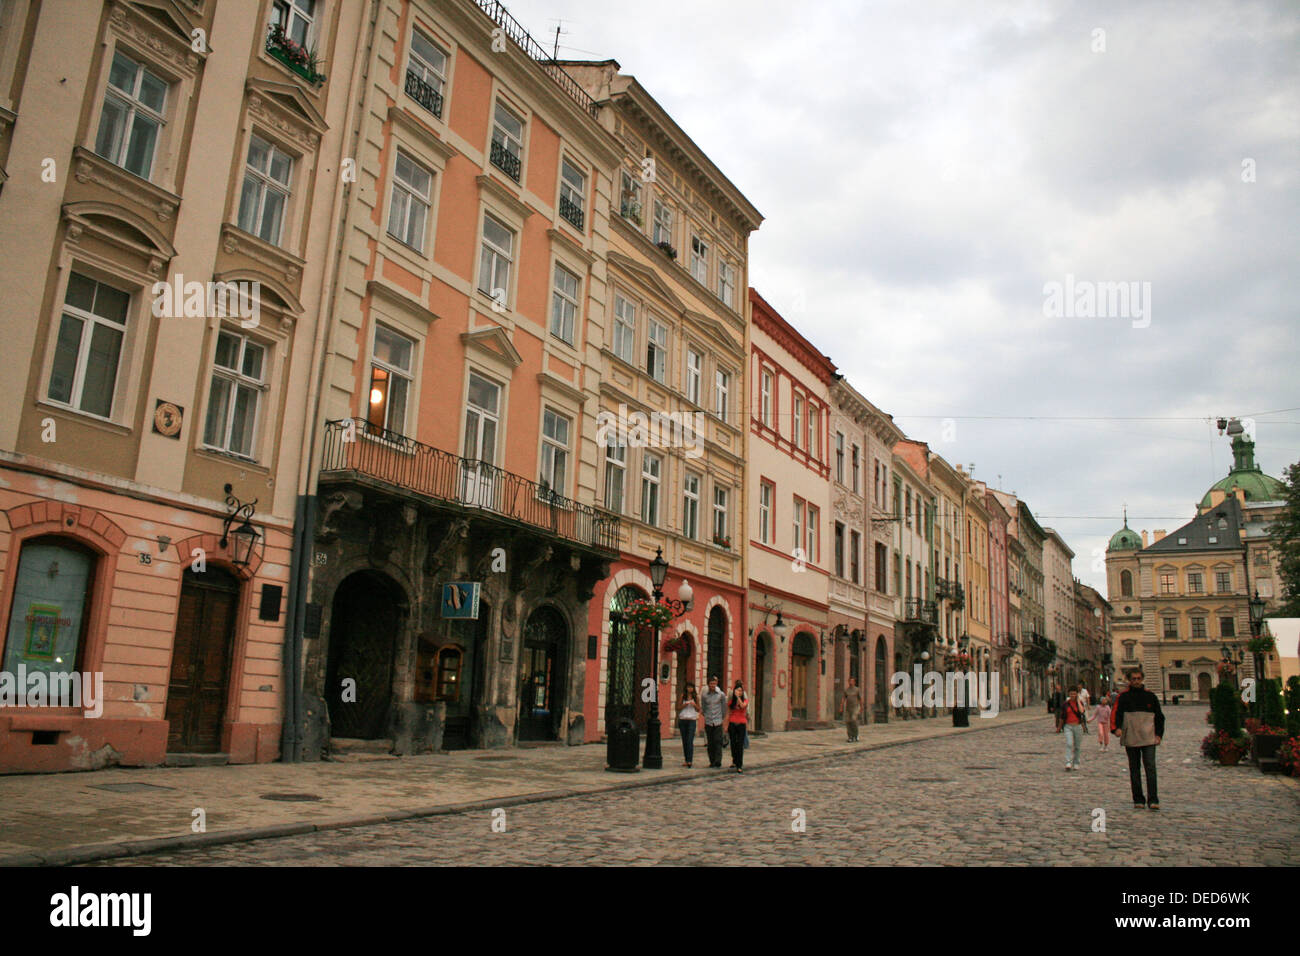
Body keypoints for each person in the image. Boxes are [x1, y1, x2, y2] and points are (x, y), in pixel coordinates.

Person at [1112, 669, 1165, 810]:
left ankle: (1153, 799)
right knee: (1134, 769)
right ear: (1129, 680)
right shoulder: (1123, 697)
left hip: (1148, 736)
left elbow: (1159, 717)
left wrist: (1159, 735)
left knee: (1150, 768)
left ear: (1142, 679)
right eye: (1133, 679)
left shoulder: (1150, 696)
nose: (1136, 681)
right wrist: (1116, 728)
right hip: (1131, 736)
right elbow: (1116, 714)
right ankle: (1138, 799)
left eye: (1138, 678)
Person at [1055, 685, 1088, 770]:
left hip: (1078, 726)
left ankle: (1076, 762)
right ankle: (1068, 762)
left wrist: (1077, 701)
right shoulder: (1065, 704)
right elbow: (1062, 717)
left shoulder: (1079, 702)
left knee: (1077, 746)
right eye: (1071, 694)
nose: (1072, 695)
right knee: (1069, 744)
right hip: (1068, 726)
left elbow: (1082, 711)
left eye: (1074, 694)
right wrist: (1059, 727)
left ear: (1077, 694)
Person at [700, 676, 727, 768]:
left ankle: (718, 761)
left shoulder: (721, 695)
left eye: (714, 684)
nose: (712, 685)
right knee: (710, 743)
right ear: (708, 684)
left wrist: (721, 717)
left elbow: (724, 708)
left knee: (718, 741)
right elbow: (703, 707)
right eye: (711, 684)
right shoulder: (704, 695)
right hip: (708, 721)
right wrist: (706, 715)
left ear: (716, 684)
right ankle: (712, 761)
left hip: (718, 721)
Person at [727, 680, 749, 773]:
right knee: (733, 743)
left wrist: (738, 697)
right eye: (737, 690)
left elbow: (743, 706)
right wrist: (726, 725)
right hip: (732, 723)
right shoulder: (731, 701)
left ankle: (739, 764)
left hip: (741, 723)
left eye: (740, 691)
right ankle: (734, 760)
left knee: (740, 744)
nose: (738, 692)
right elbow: (729, 712)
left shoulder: (745, 700)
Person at [677, 683, 700, 768]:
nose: (690, 689)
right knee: (684, 740)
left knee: (690, 740)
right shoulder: (682, 696)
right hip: (683, 720)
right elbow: (678, 707)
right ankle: (686, 759)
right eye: (688, 687)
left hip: (692, 720)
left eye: (691, 687)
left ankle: (690, 760)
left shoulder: (695, 697)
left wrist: (694, 705)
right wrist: (684, 705)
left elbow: (698, 709)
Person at [842, 676, 863, 742]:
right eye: (849, 681)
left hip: (855, 707)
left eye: (852, 681)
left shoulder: (857, 689)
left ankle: (856, 735)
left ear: (854, 682)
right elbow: (843, 698)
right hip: (848, 708)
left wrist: (861, 707)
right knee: (848, 722)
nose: (850, 682)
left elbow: (860, 699)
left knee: (853, 720)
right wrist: (841, 707)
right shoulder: (846, 690)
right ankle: (850, 736)